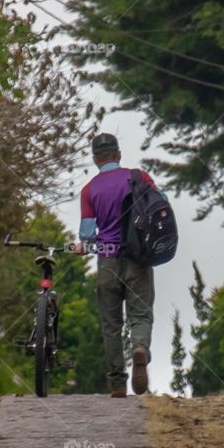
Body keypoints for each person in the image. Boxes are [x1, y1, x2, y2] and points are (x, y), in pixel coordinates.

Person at [75, 133, 160, 398]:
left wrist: (84, 246)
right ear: (118, 154)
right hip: (137, 257)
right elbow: (161, 205)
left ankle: (117, 384)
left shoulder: (89, 190)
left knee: (111, 324)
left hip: (107, 260)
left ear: (95, 159)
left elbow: (88, 235)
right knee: (141, 315)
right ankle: (140, 349)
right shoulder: (139, 177)